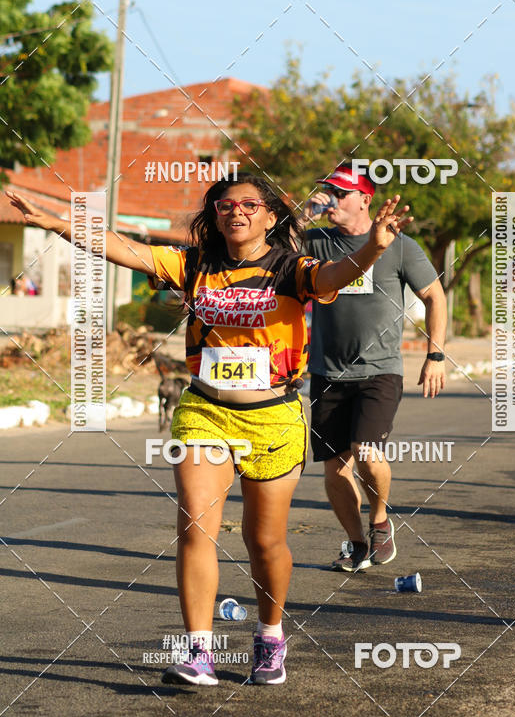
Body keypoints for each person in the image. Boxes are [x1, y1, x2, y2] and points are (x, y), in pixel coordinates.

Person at [6, 176, 411, 686]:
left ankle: (269, 636)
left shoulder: (292, 268)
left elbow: (333, 277)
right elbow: (125, 249)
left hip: (273, 417)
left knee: (263, 542)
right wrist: (57, 224)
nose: (235, 211)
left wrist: (373, 247)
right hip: (204, 410)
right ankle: (198, 652)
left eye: (248, 204)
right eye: (224, 204)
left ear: (270, 216)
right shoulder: (194, 263)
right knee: (196, 525)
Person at [300, 163, 447, 572]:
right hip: (327, 373)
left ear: (365, 199)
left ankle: (380, 519)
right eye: (326, 192)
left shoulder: (399, 246)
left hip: (380, 371)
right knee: (333, 468)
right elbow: (269, 245)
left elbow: (435, 296)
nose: (330, 199)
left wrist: (435, 356)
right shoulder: (314, 242)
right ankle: (356, 542)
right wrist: (304, 214)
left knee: (366, 451)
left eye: (339, 193)